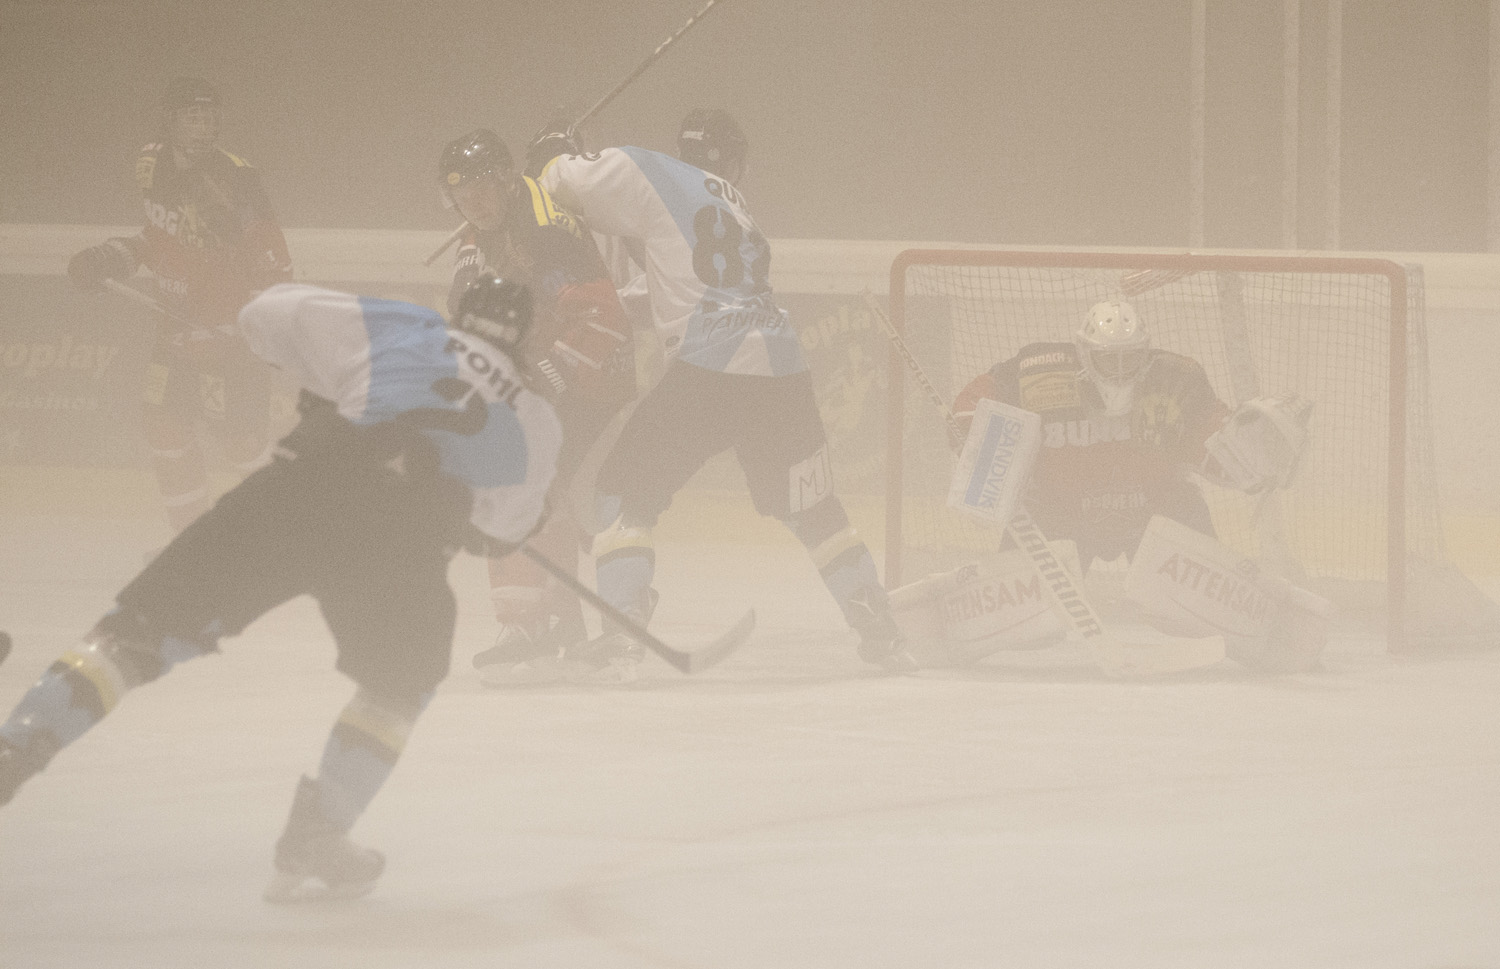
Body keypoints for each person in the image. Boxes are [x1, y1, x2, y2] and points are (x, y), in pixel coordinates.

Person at [0, 274, 562, 902]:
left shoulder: (406, 326)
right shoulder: (535, 417)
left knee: (138, 632)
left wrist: (326, 381)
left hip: (304, 486)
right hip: (403, 541)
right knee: (397, 688)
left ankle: (16, 749)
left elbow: (265, 312)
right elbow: (501, 531)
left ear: (460, 311)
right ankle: (320, 832)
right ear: (522, 336)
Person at [532, 110, 916, 679]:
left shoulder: (653, 171)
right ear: (734, 164)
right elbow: (676, 285)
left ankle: (623, 625)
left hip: (710, 367)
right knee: (814, 507)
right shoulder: (739, 210)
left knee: (622, 493)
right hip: (781, 368)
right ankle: (879, 627)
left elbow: (561, 181)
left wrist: (552, 149)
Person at [925, 298, 1324, 671]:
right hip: (1060, 513)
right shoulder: (1038, 370)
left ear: (1145, 353)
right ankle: (944, 621)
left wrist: (1256, 450)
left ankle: (1268, 629)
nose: (1118, 369)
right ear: (1083, 353)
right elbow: (978, 398)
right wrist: (968, 428)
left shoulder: (1178, 379)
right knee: (1031, 629)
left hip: (1156, 511)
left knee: (1192, 622)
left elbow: (1214, 444)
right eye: (1107, 358)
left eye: (1129, 358)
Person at [436, 127, 637, 684]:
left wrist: (543, 375)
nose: (474, 203)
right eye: (462, 195)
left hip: (593, 375)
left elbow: (604, 319)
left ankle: (533, 627)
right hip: (553, 367)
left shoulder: (546, 231)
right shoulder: (483, 228)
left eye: (482, 189)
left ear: (506, 181)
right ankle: (561, 625)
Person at [65, 77, 294, 534]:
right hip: (174, 335)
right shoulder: (151, 165)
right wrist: (112, 257)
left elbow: (275, 265)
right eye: (193, 115)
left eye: (209, 115)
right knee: (164, 429)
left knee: (241, 444)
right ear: (169, 120)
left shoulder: (239, 178)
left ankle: (279, 538)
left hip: (227, 340)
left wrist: (249, 324)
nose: (203, 125)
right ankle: (187, 541)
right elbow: (156, 238)